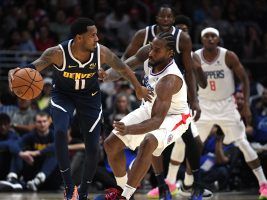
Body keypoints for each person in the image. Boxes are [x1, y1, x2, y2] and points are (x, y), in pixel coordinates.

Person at [8, 18, 151, 200]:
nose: (97, 38)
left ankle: (82, 193)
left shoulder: (101, 53)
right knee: (59, 132)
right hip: (63, 95)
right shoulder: (57, 53)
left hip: (89, 97)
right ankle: (69, 188)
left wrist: (138, 87)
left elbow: (122, 68)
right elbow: (33, 67)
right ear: (79, 38)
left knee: (93, 147)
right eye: (93, 35)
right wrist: (16, 72)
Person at [96, 32, 203, 200]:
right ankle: (122, 189)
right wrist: (108, 75)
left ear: (170, 54)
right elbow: (127, 65)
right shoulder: (151, 51)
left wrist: (129, 129)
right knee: (111, 143)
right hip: (150, 106)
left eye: (157, 50)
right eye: (151, 47)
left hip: (174, 117)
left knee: (148, 142)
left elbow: (156, 122)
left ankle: (125, 196)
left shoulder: (169, 80)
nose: (151, 52)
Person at [194, 27, 267, 199]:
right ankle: (187, 184)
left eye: (214, 36)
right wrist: (193, 102)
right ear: (202, 39)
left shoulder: (228, 56)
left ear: (218, 39)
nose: (210, 39)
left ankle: (264, 185)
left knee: (243, 143)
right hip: (205, 106)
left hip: (227, 106)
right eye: (207, 36)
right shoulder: (195, 56)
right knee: (192, 145)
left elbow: (244, 78)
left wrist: (246, 106)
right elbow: (190, 80)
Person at [147, 14, 212, 200]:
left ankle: (191, 184)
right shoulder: (163, 50)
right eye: (179, 29)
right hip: (161, 100)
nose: (182, 32)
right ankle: (166, 185)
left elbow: (203, 84)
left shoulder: (191, 55)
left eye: (185, 30)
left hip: (182, 102)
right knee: (162, 143)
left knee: (191, 141)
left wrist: (197, 68)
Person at [122, 4, 200, 121]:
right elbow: (126, 60)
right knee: (150, 126)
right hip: (151, 85)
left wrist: (194, 99)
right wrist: (136, 85)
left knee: (177, 131)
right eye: (162, 16)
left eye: (169, 17)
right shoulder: (143, 34)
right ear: (157, 18)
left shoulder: (183, 38)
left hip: (173, 87)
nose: (165, 19)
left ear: (173, 19)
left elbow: (189, 71)